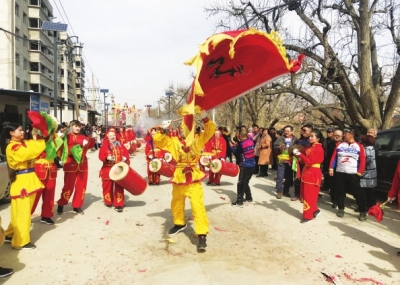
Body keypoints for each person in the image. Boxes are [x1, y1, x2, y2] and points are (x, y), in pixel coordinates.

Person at [152, 111, 215, 250]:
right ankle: (179, 223)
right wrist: (162, 130)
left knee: (198, 207)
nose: (183, 131)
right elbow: (160, 141)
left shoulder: (198, 140)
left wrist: (204, 117)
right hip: (179, 177)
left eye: (186, 128)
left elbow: (211, 130)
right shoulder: (174, 142)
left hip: (194, 178)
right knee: (176, 202)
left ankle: (202, 234)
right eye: (181, 129)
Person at [1, 123, 46, 249]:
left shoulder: (22, 143)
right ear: (11, 133)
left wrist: (42, 135)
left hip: (28, 180)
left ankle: (10, 234)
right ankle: (20, 241)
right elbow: (30, 152)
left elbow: (35, 145)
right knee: (23, 214)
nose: (23, 132)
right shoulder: (12, 147)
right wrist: (41, 142)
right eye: (20, 130)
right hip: (22, 183)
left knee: (20, 213)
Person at [56, 120, 95, 215]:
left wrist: (91, 139)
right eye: (75, 126)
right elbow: (65, 150)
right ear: (71, 127)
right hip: (70, 164)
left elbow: (90, 146)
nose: (77, 128)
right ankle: (61, 203)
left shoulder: (83, 137)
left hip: (82, 165)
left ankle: (77, 206)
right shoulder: (66, 137)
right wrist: (78, 146)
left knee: (81, 187)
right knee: (68, 186)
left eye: (79, 126)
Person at [329, 127, 366, 219]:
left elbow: (363, 160)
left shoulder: (359, 146)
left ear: (352, 134)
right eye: (344, 133)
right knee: (340, 191)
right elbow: (334, 157)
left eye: (346, 133)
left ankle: (363, 211)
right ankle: (341, 209)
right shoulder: (340, 145)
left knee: (357, 193)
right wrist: (331, 168)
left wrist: (359, 172)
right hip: (340, 172)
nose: (344, 135)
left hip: (353, 173)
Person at [293, 129, 325, 222]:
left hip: (313, 172)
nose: (310, 138)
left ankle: (308, 216)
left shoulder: (319, 149)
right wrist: (297, 156)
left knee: (309, 195)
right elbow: (304, 160)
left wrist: (301, 155)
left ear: (318, 138)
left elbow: (310, 161)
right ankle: (314, 210)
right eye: (310, 136)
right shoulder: (308, 147)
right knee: (304, 194)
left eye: (312, 136)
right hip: (306, 172)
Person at [98, 128, 130, 212]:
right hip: (107, 169)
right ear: (107, 137)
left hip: (118, 169)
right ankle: (108, 201)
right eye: (110, 136)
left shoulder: (121, 145)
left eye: (113, 135)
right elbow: (100, 156)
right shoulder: (104, 146)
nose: (112, 137)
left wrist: (125, 158)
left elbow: (126, 154)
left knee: (119, 186)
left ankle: (119, 204)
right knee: (107, 186)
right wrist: (106, 158)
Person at [230, 130, 256, 207]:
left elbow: (236, 152)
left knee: (241, 183)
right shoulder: (251, 141)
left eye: (238, 135)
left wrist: (231, 147)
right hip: (252, 165)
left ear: (241, 136)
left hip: (245, 165)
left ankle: (239, 201)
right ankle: (249, 197)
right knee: (246, 182)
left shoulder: (242, 144)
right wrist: (237, 145)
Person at [274, 126, 297, 199]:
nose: (286, 132)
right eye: (285, 131)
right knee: (280, 176)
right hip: (281, 160)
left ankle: (286, 191)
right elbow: (274, 146)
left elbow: (299, 148)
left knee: (289, 177)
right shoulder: (280, 138)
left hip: (290, 161)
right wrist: (278, 148)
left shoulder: (295, 139)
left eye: (288, 131)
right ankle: (279, 191)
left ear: (292, 131)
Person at [292, 124, 312, 201]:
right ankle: (297, 194)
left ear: (310, 131)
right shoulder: (299, 140)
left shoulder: (312, 142)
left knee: (306, 180)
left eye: (305, 130)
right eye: (302, 130)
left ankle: (305, 195)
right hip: (298, 163)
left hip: (308, 164)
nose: (303, 132)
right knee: (297, 178)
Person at [358, 135, 377, 212]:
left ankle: (365, 206)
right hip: (371, 173)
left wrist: (361, 164)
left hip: (367, 173)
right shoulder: (371, 148)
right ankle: (370, 206)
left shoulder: (367, 149)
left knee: (364, 192)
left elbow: (368, 159)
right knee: (369, 191)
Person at [326, 130, 343, 208]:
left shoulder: (344, 145)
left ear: (342, 136)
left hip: (342, 168)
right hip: (332, 167)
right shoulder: (329, 144)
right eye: (335, 135)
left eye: (338, 135)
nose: (336, 136)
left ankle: (341, 200)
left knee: (340, 185)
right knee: (332, 185)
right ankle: (334, 201)